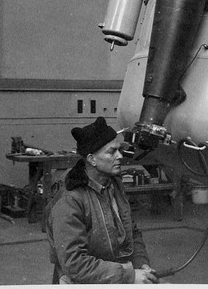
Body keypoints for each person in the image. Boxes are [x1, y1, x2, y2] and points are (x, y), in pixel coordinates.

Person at [46, 116, 159, 284]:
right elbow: (75, 264)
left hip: (114, 275)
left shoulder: (115, 185)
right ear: (92, 159)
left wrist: (142, 265)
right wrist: (129, 276)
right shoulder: (70, 200)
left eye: (119, 149)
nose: (120, 156)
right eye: (112, 152)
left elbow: (132, 232)